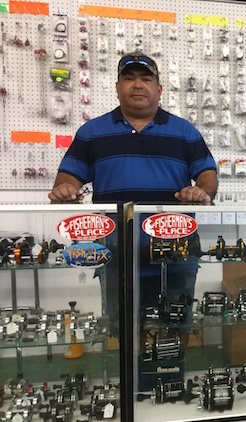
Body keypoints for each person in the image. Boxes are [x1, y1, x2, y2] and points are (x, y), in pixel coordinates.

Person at [49, 51, 218, 357]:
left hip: (175, 253)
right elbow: (68, 178)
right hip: (117, 253)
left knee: (175, 324)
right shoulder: (91, 133)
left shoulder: (185, 132)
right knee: (124, 328)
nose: (137, 85)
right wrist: (65, 189)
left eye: (146, 78)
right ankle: (135, 394)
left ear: (159, 89)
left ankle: (169, 380)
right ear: (117, 87)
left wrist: (202, 192)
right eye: (129, 78)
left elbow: (207, 175)